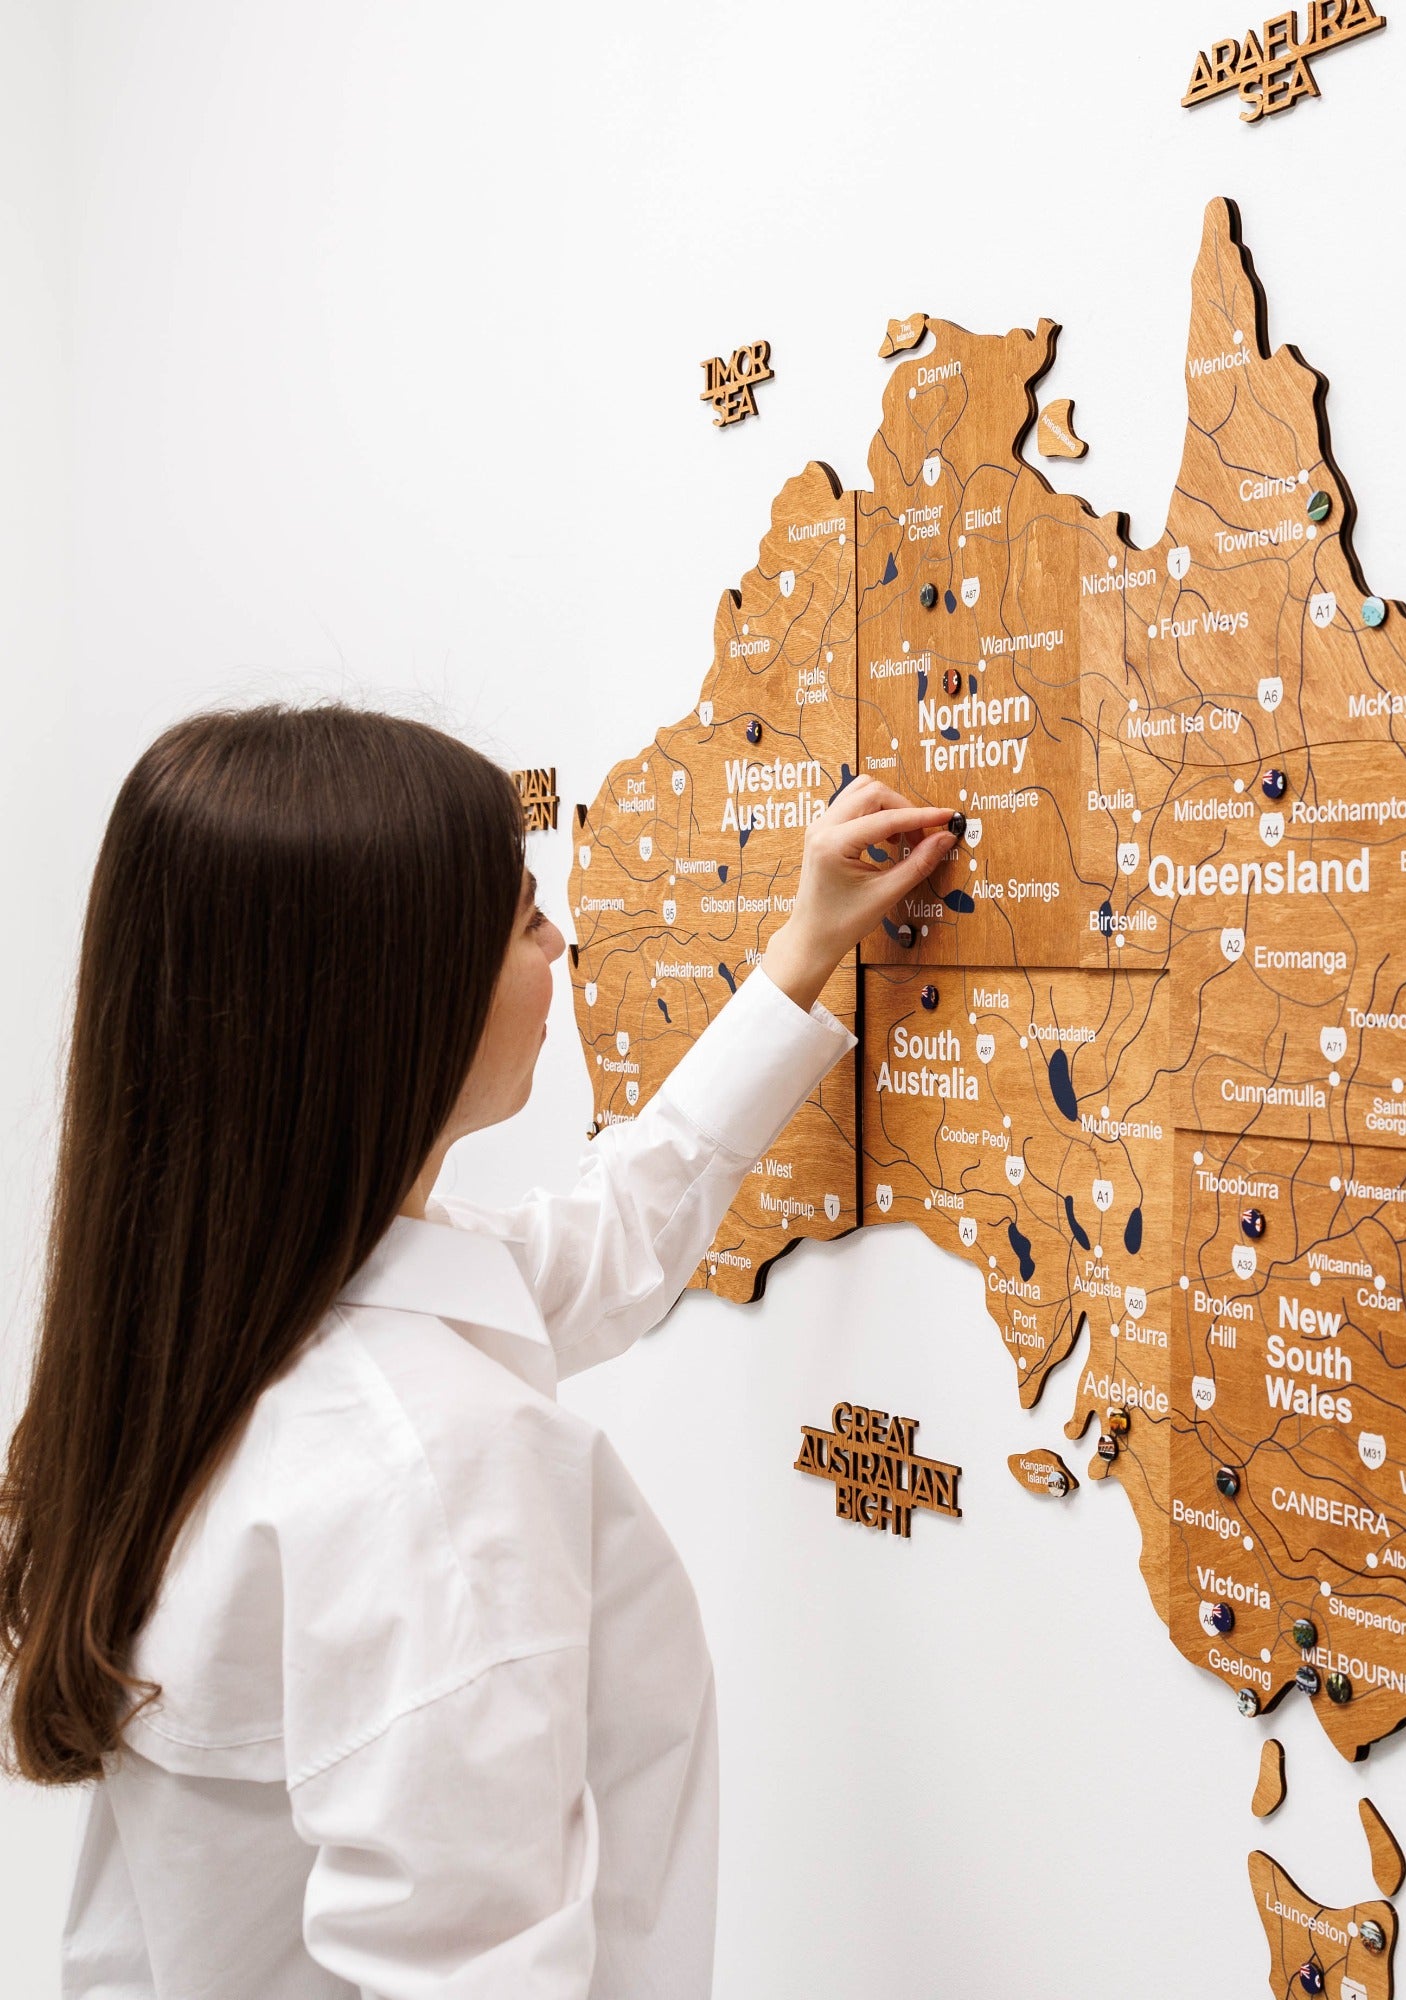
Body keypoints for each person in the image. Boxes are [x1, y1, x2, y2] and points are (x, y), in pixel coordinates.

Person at [0, 703, 956, 1998]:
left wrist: (803, 949)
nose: (561, 945)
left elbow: (605, 1239)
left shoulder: (203, 1342)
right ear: (391, 1002)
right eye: (522, 921)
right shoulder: (432, 1465)